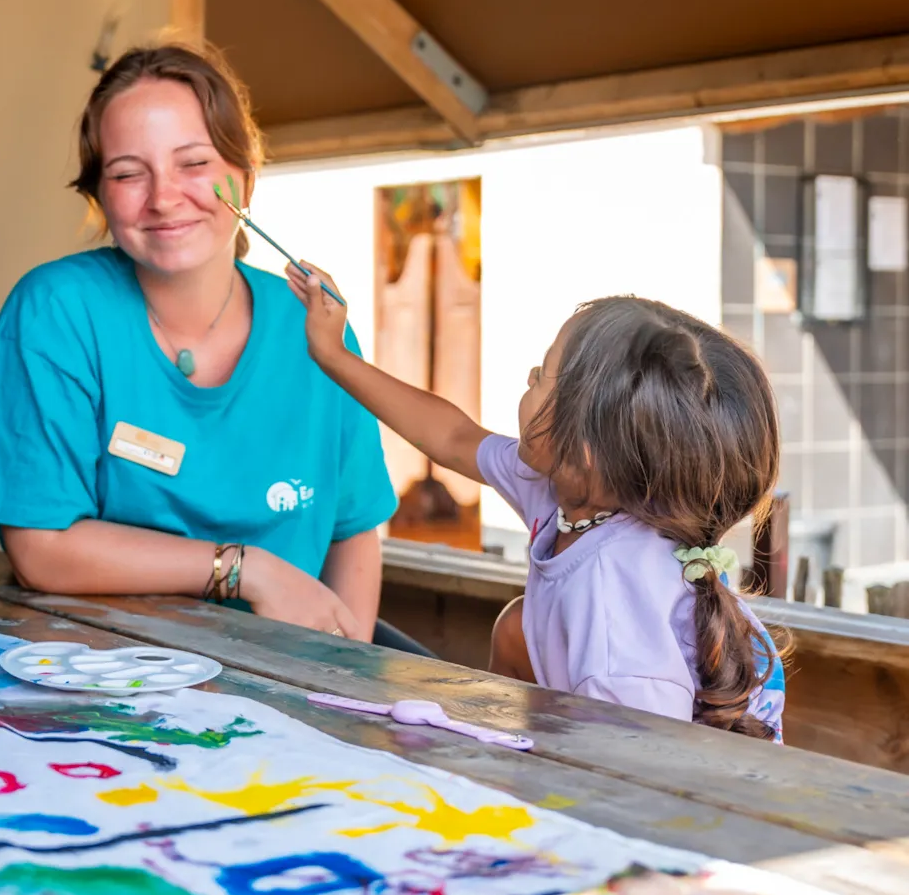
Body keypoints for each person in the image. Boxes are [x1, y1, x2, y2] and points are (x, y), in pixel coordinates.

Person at [0, 45, 399, 643]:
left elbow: (353, 530)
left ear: (245, 174)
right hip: (109, 666)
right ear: (98, 195)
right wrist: (245, 570)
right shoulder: (55, 310)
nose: (163, 198)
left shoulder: (317, 328)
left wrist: (345, 678)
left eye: (193, 163)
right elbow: (40, 548)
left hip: (293, 668)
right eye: (127, 173)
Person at [287, 263, 787, 738]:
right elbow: (453, 437)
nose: (529, 376)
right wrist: (333, 354)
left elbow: (644, 777)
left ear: (586, 448)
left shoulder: (617, 633)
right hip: (611, 743)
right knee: (515, 625)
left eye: (543, 375)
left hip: (659, 788)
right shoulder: (573, 491)